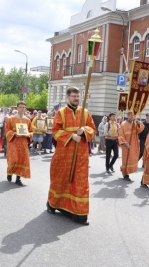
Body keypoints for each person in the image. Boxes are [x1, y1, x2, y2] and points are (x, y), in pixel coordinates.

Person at [46, 87, 96, 226]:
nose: (76, 98)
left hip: (81, 155)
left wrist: (84, 131)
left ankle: (79, 213)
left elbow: (93, 129)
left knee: (80, 182)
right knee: (61, 179)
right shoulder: (61, 113)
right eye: (74, 96)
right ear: (67, 97)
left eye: (78, 96)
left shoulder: (85, 113)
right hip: (65, 154)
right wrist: (71, 136)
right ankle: (53, 204)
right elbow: (55, 131)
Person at [5, 101, 33, 186]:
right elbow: (7, 130)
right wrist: (14, 134)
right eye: (20, 107)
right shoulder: (11, 118)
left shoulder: (27, 120)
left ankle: (18, 178)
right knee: (14, 160)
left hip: (23, 143)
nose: (22, 109)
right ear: (17, 108)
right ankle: (9, 172)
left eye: (24, 107)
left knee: (22, 160)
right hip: (13, 142)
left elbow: (31, 131)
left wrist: (29, 134)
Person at [118, 111, 144, 181]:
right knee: (126, 159)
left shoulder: (135, 123)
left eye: (133, 115)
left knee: (133, 158)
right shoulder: (123, 124)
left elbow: (140, 129)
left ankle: (126, 170)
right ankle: (125, 174)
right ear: (128, 115)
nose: (132, 117)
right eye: (131, 115)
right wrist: (125, 143)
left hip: (134, 144)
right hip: (126, 145)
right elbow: (120, 135)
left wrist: (138, 122)